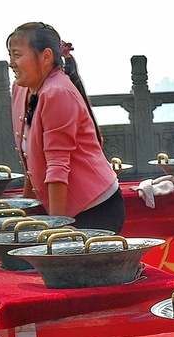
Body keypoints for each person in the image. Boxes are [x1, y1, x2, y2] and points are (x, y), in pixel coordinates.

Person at [7, 22, 125, 232]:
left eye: (17, 55)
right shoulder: (21, 90)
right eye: (10, 55)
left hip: (95, 208)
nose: (11, 63)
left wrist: (57, 229)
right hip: (64, 208)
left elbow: (57, 164)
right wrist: (24, 211)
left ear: (45, 56)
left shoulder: (57, 92)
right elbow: (31, 162)